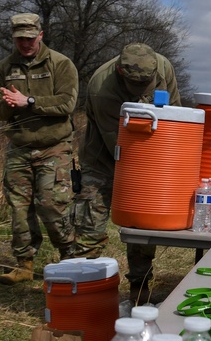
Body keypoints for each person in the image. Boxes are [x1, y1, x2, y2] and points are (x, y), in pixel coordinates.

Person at [75, 43, 181, 304]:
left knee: (142, 224)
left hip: (148, 157)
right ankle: (87, 292)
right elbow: (120, 143)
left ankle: (139, 287)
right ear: (121, 74)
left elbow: (175, 116)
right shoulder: (102, 87)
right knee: (89, 223)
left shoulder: (164, 68)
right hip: (104, 158)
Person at [0, 13, 79, 284]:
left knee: (53, 205)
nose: (25, 44)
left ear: (40, 35)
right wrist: (8, 104)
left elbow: (66, 104)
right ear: (13, 38)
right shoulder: (3, 68)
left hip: (54, 146)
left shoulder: (61, 64)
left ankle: (69, 259)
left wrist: (29, 101)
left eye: (29, 38)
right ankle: (24, 264)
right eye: (19, 39)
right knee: (19, 208)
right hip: (19, 146)